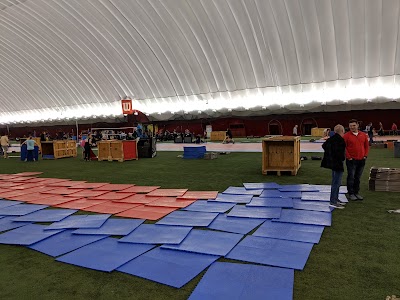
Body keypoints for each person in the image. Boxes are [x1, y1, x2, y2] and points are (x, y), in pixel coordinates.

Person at [321, 124, 346, 209]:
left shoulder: (331, 139)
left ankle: (335, 198)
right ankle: (333, 201)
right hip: (338, 163)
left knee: (335, 182)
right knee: (336, 183)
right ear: (342, 131)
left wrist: (330, 155)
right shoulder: (341, 140)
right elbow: (341, 154)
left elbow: (323, 146)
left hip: (332, 163)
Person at [343, 119, 369, 201]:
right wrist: (349, 157)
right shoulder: (346, 136)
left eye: (354, 125)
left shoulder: (363, 135)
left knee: (358, 177)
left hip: (361, 159)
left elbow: (367, 146)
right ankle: (351, 193)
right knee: (351, 177)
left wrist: (365, 155)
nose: (352, 127)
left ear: (357, 125)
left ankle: (356, 192)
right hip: (351, 160)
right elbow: (344, 147)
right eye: (350, 126)